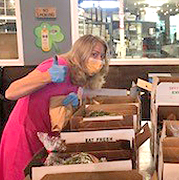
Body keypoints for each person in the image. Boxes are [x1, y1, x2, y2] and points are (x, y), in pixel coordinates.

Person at [0, 34, 109, 180]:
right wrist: (47, 77)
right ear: (81, 52)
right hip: (24, 135)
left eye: (102, 56)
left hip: (46, 140)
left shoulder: (80, 76)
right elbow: (11, 92)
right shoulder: (57, 65)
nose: (98, 60)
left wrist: (75, 106)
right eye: (94, 54)